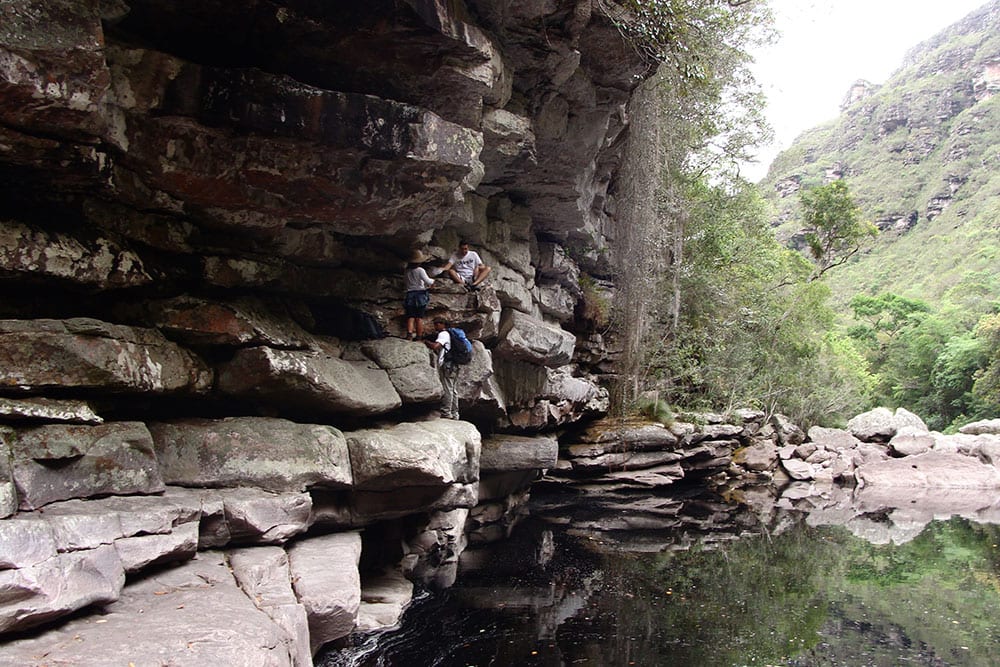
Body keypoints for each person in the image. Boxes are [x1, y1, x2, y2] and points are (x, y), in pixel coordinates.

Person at [424, 318, 460, 420]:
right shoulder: (452, 334)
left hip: (447, 365)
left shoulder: (443, 334)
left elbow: (435, 346)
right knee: (453, 389)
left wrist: (426, 342)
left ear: (442, 324)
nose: (435, 326)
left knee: (448, 388)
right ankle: (455, 413)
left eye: (436, 324)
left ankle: (446, 413)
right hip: (455, 364)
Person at [403, 249, 435, 340]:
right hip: (420, 295)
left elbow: (405, 282)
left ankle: (409, 334)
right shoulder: (420, 270)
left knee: (411, 316)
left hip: (410, 295)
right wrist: (433, 282)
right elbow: (428, 281)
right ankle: (419, 336)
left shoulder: (407, 271)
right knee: (419, 317)